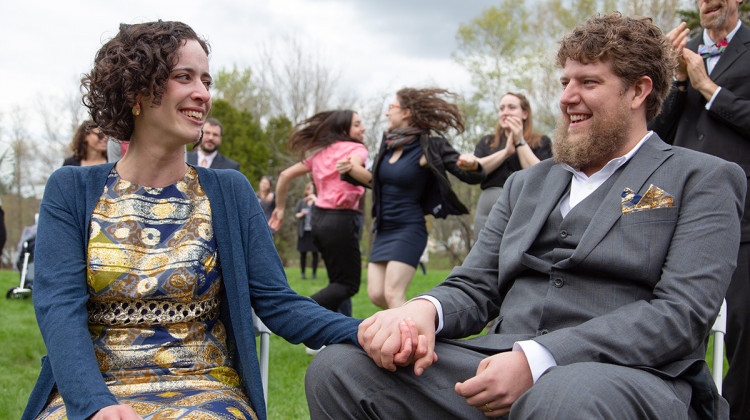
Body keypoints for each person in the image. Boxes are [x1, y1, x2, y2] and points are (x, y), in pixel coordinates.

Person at [306, 12, 746, 419]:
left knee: (563, 397)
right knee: (339, 367)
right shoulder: (527, 185)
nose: (567, 98)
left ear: (638, 90)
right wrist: (424, 311)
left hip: (632, 378)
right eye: (565, 81)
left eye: (588, 82)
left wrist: (538, 360)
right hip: (498, 361)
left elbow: (680, 315)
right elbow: (477, 283)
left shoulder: (702, 178)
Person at [22, 21, 359, 420]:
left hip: (205, 390)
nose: (203, 94)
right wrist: (95, 406)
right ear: (136, 91)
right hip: (92, 394)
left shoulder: (229, 190)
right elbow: (59, 308)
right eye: (184, 77)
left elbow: (279, 304)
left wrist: (365, 330)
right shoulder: (72, 189)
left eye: (206, 80)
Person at [648, 2, 750, 417]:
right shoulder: (680, 53)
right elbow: (657, 132)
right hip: (680, 208)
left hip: (743, 214)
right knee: (673, 324)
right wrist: (675, 81)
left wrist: (708, 88)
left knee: (743, 327)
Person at [338, 87, 485, 309]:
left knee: (393, 294)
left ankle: (412, 340)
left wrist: (473, 165)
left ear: (406, 112)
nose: (387, 113)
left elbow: (469, 173)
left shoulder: (430, 146)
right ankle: (411, 330)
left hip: (409, 228)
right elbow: (377, 182)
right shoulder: (387, 146)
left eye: (391, 108)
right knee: (376, 294)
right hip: (384, 227)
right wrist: (349, 170)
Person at [269, 110, 368, 318]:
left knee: (337, 283)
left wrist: (280, 207)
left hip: (318, 220)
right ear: (344, 129)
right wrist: (360, 172)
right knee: (348, 285)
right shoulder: (357, 149)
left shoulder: (321, 154)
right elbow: (357, 165)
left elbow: (285, 175)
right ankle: (300, 311)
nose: (363, 128)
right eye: (357, 124)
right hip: (340, 221)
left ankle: (331, 333)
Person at [458, 92, 552, 239]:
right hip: (488, 211)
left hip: (525, 208)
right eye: (501, 108)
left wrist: (519, 141)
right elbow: (477, 168)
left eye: (511, 107)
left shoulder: (541, 142)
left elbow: (542, 177)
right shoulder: (487, 142)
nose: (505, 112)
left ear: (525, 113)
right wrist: (506, 152)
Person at [295, 181, 319, 279]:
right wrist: (301, 214)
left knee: (315, 253)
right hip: (303, 231)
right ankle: (303, 273)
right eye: (309, 188)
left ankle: (314, 274)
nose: (310, 191)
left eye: (312, 189)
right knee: (303, 253)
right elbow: (296, 214)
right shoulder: (302, 202)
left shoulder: (318, 201)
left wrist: (315, 200)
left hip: (314, 231)